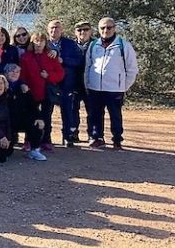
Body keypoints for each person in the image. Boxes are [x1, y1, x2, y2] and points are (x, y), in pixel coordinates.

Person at [84, 17, 139, 150]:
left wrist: (123, 86)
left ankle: (117, 140)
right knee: (95, 114)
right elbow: (88, 66)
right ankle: (97, 137)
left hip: (115, 89)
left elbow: (132, 69)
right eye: (102, 28)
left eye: (109, 27)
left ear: (114, 28)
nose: (106, 30)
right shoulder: (93, 45)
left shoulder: (123, 45)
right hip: (95, 87)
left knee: (115, 115)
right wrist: (87, 84)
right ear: (98, 29)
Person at [19, 32, 65, 151]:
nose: (38, 44)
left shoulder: (50, 56)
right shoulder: (26, 57)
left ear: (45, 43)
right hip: (31, 92)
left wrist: (48, 76)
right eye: (36, 41)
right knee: (31, 117)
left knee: (47, 117)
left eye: (41, 41)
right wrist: (23, 84)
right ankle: (29, 140)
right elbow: (22, 74)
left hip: (47, 92)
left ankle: (46, 140)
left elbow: (60, 74)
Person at [47, 19, 84, 147]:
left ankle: (68, 136)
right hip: (49, 83)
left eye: (57, 28)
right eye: (51, 28)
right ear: (48, 30)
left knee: (68, 110)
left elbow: (79, 61)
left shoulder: (70, 44)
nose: (54, 30)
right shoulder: (43, 44)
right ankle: (46, 137)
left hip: (67, 82)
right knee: (47, 111)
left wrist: (64, 60)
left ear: (61, 30)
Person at [3, 64, 47, 161]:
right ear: (6, 73)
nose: (14, 74)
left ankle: (34, 150)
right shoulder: (1, 87)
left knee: (37, 124)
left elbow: (33, 106)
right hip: (6, 121)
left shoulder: (24, 88)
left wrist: (39, 118)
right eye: (11, 71)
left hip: (21, 119)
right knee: (6, 153)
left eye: (17, 72)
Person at [71, 21, 94, 143]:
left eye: (85, 30)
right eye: (79, 30)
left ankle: (92, 135)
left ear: (90, 31)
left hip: (91, 83)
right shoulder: (71, 45)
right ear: (75, 32)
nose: (82, 32)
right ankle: (73, 133)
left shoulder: (97, 45)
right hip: (75, 83)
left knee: (92, 110)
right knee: (73, 109)